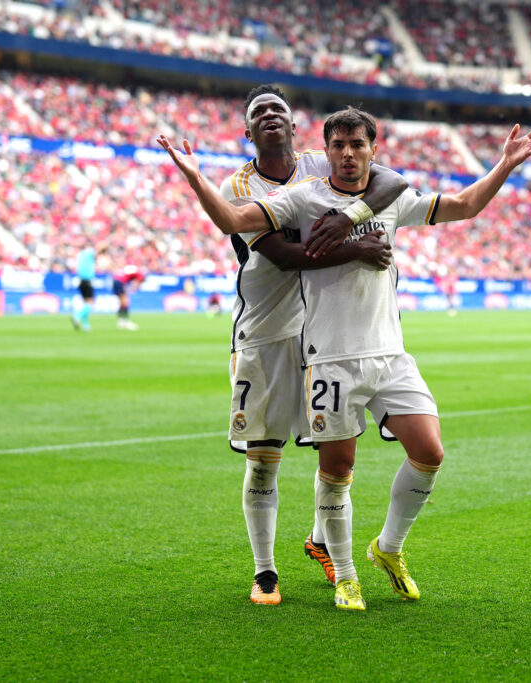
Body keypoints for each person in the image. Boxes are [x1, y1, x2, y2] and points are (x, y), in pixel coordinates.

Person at [160, 107, 531, 611]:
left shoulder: (390, 197)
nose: (347, 154)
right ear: (324, 152)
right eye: (337, 145)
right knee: (337, 471)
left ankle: (387, 548)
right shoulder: (303, 197)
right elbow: (234, 219)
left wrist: (505, 165)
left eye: (357, 145)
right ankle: (345, 576)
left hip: (390, 353)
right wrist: (195, 179)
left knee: (430, 452)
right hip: (331, 357)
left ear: (372, 149)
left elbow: (464, 204)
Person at [160, 84, 408, 607]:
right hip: (266, 330)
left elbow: (387, 180)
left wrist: (349, 219)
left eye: (279, 110)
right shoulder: (239, 184)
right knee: (263, 456)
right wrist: (355, 248)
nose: (270, 116)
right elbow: (284, 256)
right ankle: (265, 571)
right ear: (247, 132)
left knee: (335, 452)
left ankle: (322, 541)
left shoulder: (324, 161)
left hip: (322, 332)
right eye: (258, 113)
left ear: (296, 128)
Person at [71, 243, 103, 332]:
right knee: (90, 304)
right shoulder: (88, 253)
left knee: (85, 303)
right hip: (87, 281)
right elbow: (99, 248)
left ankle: (86, 325)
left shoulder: (80, 255)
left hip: (81, 281)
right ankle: (77, 316)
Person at [112, 264, 145, 330]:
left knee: (122, 303)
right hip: (120, 282)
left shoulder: (133, 269)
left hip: (115, 280)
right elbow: (136, 284)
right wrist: (133, 290)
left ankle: (121, 321)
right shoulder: (140, 274)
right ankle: (127, 322)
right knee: (126, 302)